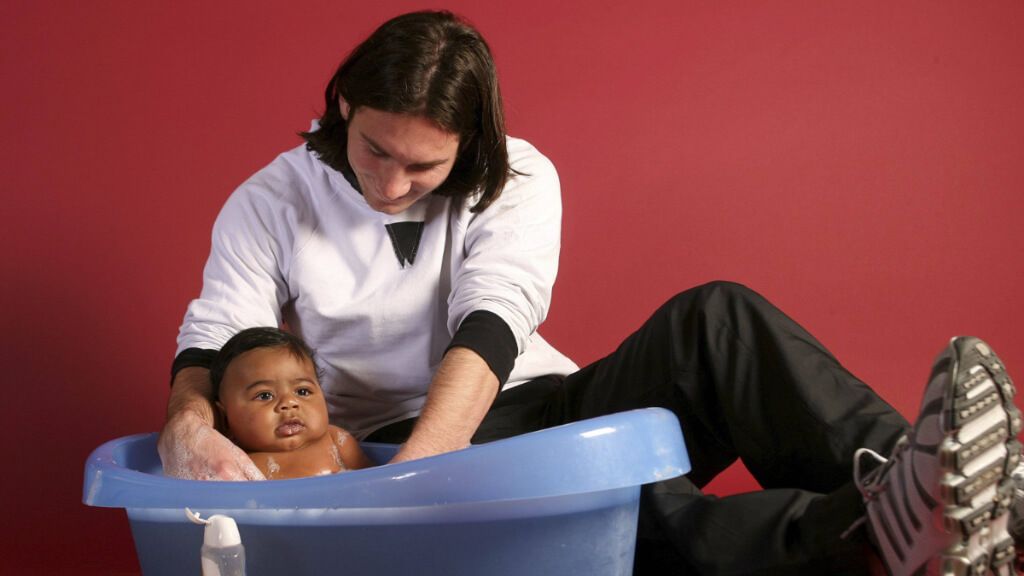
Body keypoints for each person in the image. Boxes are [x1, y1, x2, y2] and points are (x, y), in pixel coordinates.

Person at [157, 10, 1023, 575]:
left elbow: (492, 320)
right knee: (619, 503)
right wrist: (190, 429)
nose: (390, 184)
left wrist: (427, 470)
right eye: (375, 150)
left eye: (423, 167)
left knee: (717, 318)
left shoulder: (520, 173)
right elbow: (215, 339)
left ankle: (946, 487)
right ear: (345, 104)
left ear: (471, 145)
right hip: (389, 447)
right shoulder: (270, 201)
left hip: (521, 402)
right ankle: (873, 537)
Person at [209, 327, 373, 479]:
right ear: (225, 419)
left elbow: (372, 484)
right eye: (265, 395)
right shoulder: (230, 462)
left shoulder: (337, 441)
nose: (289, 402)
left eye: (302, 391)